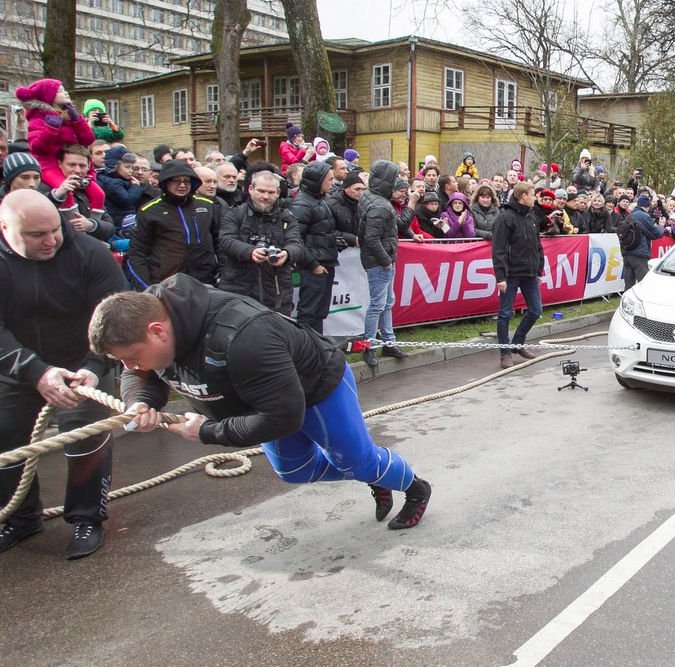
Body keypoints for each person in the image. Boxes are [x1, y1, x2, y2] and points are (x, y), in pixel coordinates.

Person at [88, 273, 433, 530]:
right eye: (122, 361)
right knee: (295, 471)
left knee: (355, 458)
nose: (128, 367)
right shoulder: (145, 320)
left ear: (157, 331)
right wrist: (140, 401)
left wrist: (208, 431)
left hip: (315, 386)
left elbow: (283, 417)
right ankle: (373, 473)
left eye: (132, 357)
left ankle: (413, 487)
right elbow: (141, 375)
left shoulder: (243, 337)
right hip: (260, 399)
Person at [0, 190, 128, 559]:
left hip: (82, 364)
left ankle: (88, 517)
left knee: (87, 441)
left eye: (54, 230)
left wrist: (94, 366)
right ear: (6, 228)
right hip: (16, 369)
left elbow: (115, 317)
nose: (51, 240)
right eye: (36, 235)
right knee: (7, 441)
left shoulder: (90, 254)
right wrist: (34, 371)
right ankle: (21, 517)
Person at [218, 171, 304, 315]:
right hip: (239, 288)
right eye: (261, 191)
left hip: (277, 289)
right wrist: (250, 252)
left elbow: (296, 243)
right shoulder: (235, 214)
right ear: (251, 189)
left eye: (270, 192)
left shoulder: (287, 218)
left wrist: (287, 254)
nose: (265, 196)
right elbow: (226, 240)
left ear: (277, 193)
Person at [16, 78, 106, 214]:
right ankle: (73, 221)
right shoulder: (38, 117)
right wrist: (51, 129)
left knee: (99, 194)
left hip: (74, 161)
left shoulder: (69, 114)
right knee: (65, 192)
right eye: (60, 90)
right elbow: (37, 147)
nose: (65, 93)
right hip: (50, 165)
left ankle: (95, 222)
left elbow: (87, 140)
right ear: (48, 95)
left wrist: (78, 120)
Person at [127, 159, 219, 288]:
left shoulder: (207, 206)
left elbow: (220, 242)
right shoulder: (149, 211)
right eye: (176, 180)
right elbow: (136, 253)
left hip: (205, 281)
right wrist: (147, 287)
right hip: (167, 283)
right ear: (166, 182)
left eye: (186, 181)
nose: (182, 185)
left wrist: (222, 274)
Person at [358, 160, 410, 367]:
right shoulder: (380, 205)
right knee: (378, 304)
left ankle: (389, 341)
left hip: (380, 258)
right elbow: (371, 238)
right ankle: (369, 346)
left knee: (387, 302)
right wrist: (386, 261)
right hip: (380, 261)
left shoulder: (370, 196)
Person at [492, 181, 544, 369]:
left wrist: (539, 268)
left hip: (529, 273)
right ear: (523, 196)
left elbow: (537, 245)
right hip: (511, 273)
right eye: (532, 194)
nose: (535, 197)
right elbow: (498, 249)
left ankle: (517, 343)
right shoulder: (505, 218)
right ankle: (505, 353)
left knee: (535, 310)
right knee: (505, 313)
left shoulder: (531, 216)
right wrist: (500, 277)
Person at [290, 161, 343, 332]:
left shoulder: (320, 200)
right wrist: (314, 266)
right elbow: (296, 239)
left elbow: (322, 231)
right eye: (329, 179)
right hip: (314, 267)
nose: (332, 183)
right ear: (317, 181)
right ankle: (307, 351)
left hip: (325, 263)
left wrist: (338, 240)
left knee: (320, 312)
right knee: (309, 313)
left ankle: (318, 348)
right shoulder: (303, 204)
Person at [621, 194, 666, 290]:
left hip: (626, 252)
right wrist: (661, 225)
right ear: (648, 205)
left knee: (629, 285)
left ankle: (626, 303)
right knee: (644, 283)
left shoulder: (630, 214)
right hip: (639, 253)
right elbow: (657, 233)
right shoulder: (644, 216)